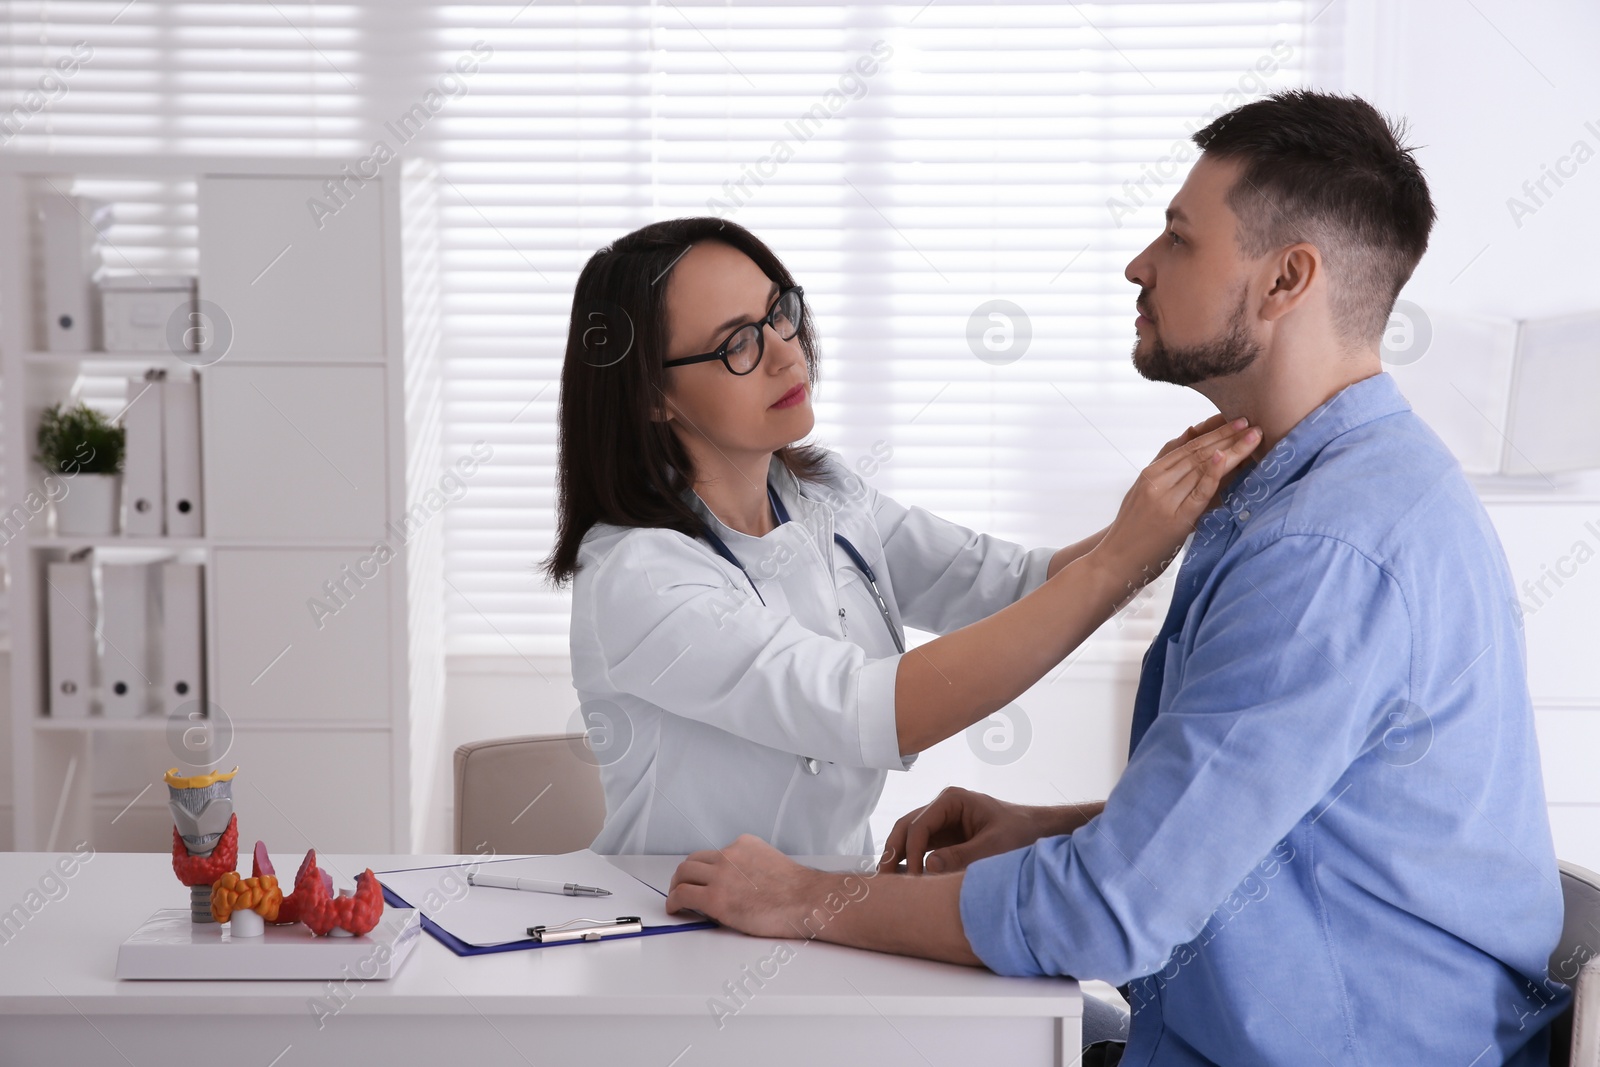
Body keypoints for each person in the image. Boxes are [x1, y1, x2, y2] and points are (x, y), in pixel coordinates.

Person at [665, 90, 1570, 1065]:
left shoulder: (1324, 548)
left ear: (1285, 280)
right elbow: (1293, 813)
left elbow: (1107, 914)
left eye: (1178, 239)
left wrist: (804, 897)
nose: (1138, 264)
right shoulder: (1320, 484)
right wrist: (1052, 828)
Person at [542, 217, 1261, 857]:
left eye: (781, 314)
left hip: (821, 911)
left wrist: (1170, 512)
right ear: (651, 395)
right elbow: (874, 706)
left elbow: (1006, 585)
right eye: (737, 344)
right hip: (679, 933)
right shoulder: (639, 577)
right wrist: (1122, 556)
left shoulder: (822, 492)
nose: (788, 355)